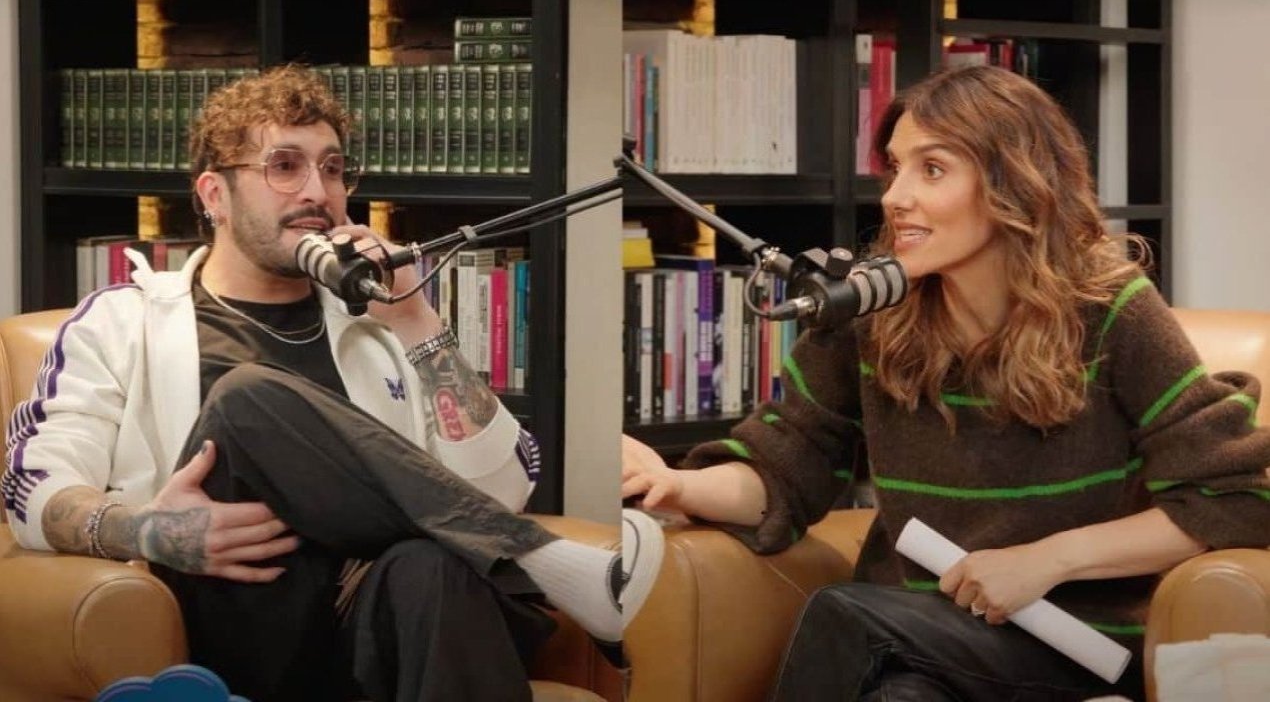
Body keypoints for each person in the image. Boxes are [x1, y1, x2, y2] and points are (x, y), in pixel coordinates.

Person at [2, 63, 664, 702]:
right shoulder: (123, 322)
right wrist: (146, 530)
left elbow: (504, 488)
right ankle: (542, 564)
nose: (317, 192)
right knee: (247, 398)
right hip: (232, 615)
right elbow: (33, 489)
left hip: (371, 625)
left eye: (333, 168)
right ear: (214, 195)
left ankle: (535, 564)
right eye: (284, 166)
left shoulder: (382, 326)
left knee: (432, 568)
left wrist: (416, 320)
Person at [621, 65, 1270, 701]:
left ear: (1013, 183)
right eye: (895, 168)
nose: (895, 196)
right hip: (912, 636)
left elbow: (1235, 499)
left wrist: (1048, 560)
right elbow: (785, 469)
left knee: (846, 614)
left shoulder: (1112, 312)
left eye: (931, 169)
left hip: (1068, 645)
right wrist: (676, 484)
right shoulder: (871, 313)